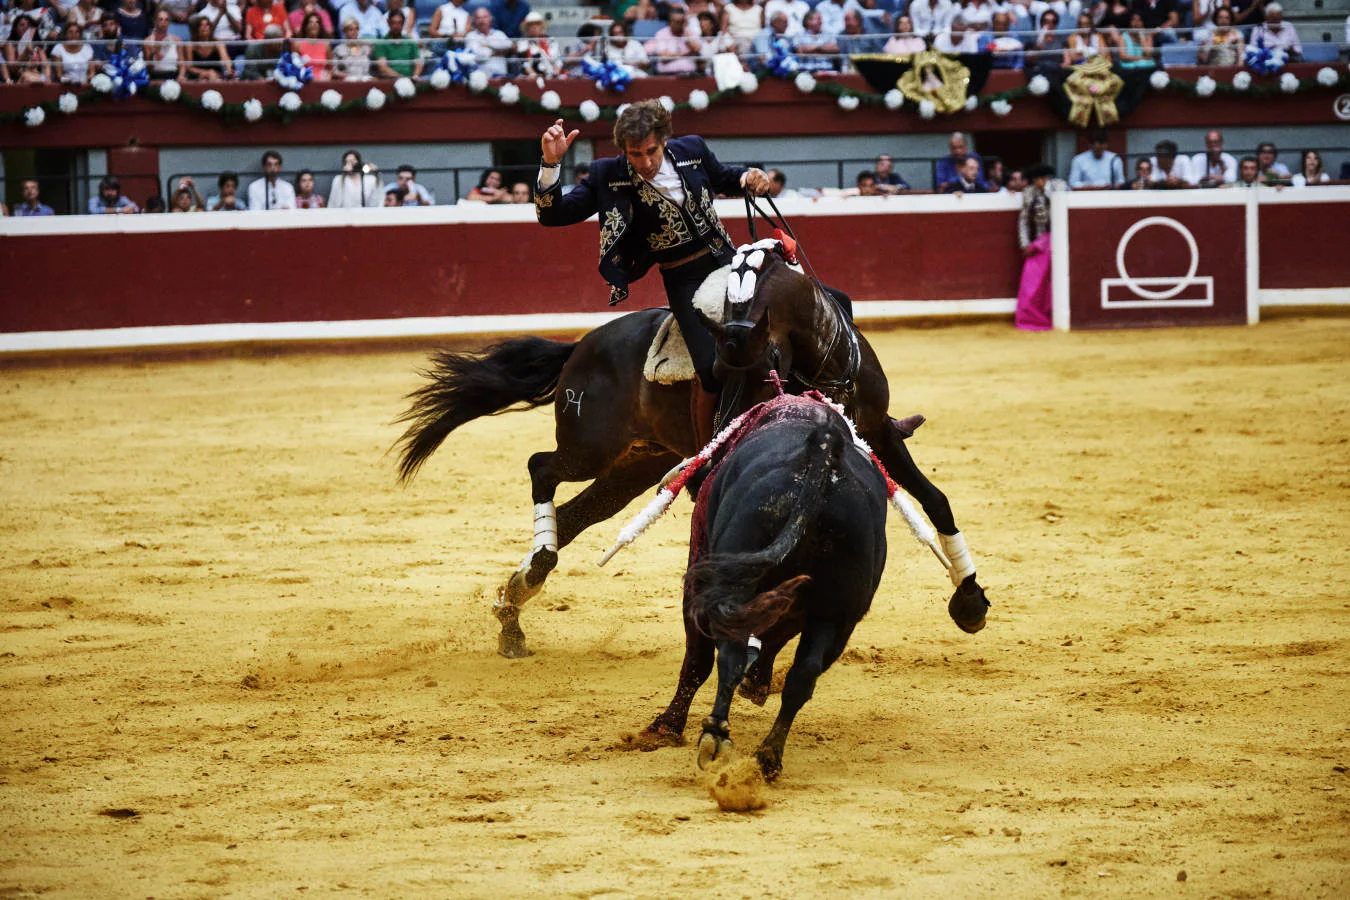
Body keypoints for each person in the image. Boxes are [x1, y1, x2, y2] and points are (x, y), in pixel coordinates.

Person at [533, 102, 773, 429]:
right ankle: (707, 454)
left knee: (805, 316)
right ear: (623, 150)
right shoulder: (609, 175)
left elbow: (723, 178)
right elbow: (553, 215)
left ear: (664, 140)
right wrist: (551, 162)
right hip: (685, 280)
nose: (645, 162)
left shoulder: (692, 149)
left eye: (651, 151)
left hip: (732, 262)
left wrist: (748, 176)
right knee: (710, 369)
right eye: (635, 154)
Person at [1015, 163, 1062, 331]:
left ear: (1046, 178)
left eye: (1041, 179)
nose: (1038, 183)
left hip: (1061, 244)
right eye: (1035, 180)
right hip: (1040, 244)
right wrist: (1026, 244)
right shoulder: (1029, 193)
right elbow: (1024, 221)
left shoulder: (1060, 188)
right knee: (1034, 283)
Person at [646, 6, 701, 76]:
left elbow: (697, 50)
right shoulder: (661, 34)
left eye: (681, 22)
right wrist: (686, 54)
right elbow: (664, 58)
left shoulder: (691, 33)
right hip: (666, 77)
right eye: (676, 22)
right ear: (670, 22)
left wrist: (686, 36)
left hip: (689, 76)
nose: (678, 24)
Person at [463, 8, 511, 78]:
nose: (482, 21)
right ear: (475, 21)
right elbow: (477, 56)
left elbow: (509, 46)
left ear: (490, 19)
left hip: (501, 75)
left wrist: (488, 45)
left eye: (485, 17)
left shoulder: (499, 34)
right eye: (478, 18)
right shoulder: (470, 36)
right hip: (481, 78)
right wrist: (496, 52)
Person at [373, 9, 423, 77]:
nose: (396, 26)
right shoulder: (381, 43)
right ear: (388, 22)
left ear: (403, 23)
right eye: (393, 23)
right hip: (390, 81)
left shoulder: (410, 42)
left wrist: (415, 76)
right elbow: (383, 68)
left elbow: (418, 64)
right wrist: (402, 78)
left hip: (410, 79)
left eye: (399, 23)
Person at [3, 17, 49, 84]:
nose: (26, 27)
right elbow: (13, 69)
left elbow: (46, 66)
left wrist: (47, 77)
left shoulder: (38, 46)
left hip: (38, 76)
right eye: (22, 25)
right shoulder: (11, 45)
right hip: (21, 78)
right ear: (15, 28)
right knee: (27, 77)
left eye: (29, 25)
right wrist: (26, 52)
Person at [185, 15, 232, 79]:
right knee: (207, 76)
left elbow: (226, 59)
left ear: (210, 28)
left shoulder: (217, 42)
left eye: (207, 25)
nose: (204, 27)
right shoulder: (190, 44)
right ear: (197, 29)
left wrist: (229, 71)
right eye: (201, 25)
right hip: (197, 75)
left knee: (213, 76)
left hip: (216, 74)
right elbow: (189, 67)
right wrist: (206, 72)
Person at [515, 10, 560, 78]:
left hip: (552, 75)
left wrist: (556, 71)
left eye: (537, 24)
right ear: (527, 27)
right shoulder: (523, 42)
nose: (534, 27)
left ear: (541, 26)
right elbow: (524, 63)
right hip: (531, 77)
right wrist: (533, 75)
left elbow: (558, 60)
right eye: (531, 25)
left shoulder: (550, 40)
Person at [143, 8, 183, 80]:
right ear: (155, 22)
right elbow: (148, 69)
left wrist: (181, 76)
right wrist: (152, 54)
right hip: (155, 77)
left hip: (174, 76)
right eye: (160, 19)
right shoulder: (147, 41)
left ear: (169, 22)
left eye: (166, 20)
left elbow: (182, 64)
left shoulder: (177, 40)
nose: (164, 22)